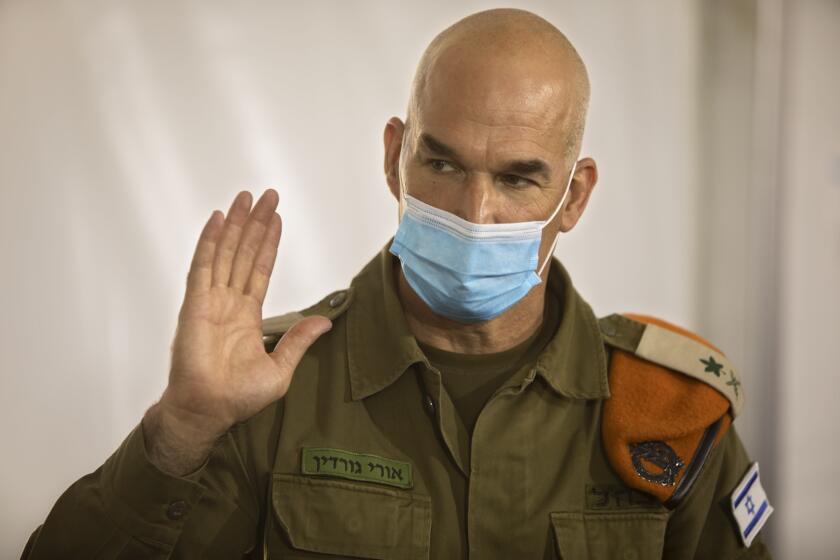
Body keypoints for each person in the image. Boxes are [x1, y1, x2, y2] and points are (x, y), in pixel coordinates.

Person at [21, 8, 773, 559]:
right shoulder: (267, 387)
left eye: (517, 179)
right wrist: (181, 429)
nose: (475, 212)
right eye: (442, 164)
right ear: (394, 159)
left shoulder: (669, 414)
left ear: (573, 197)